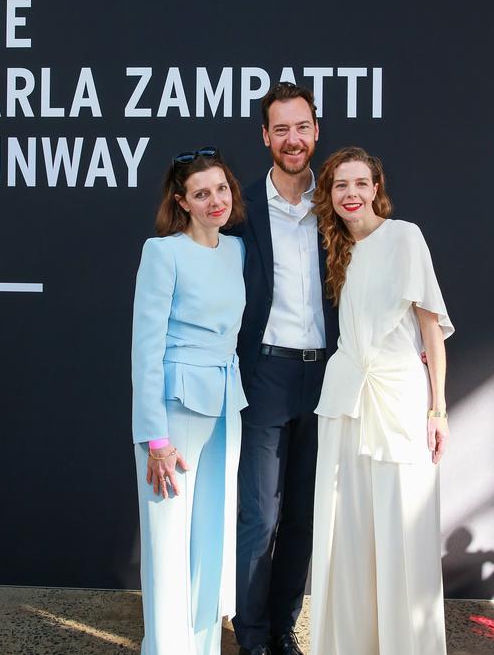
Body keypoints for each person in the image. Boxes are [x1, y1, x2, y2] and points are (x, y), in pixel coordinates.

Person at [309, 146, 453, 655]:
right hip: (345, 402)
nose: (350, 194)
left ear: (376, 189)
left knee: (401, 532)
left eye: (359, 183)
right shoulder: (334, 248)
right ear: (329, 194)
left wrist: (438, 410)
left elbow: (431, 330)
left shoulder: (405, 237)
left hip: (398, 400)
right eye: (339, 185)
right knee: (344, 533)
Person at [232, 83, 339, 655]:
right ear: (266, 137)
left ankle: (281, 632)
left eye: (302, 127)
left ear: (315, 131)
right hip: (266, 376)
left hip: (326, 378)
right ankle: (251, 640)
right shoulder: (241, 208)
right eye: (281, 129)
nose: (292, 139)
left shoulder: (340, 204)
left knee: (302, 520)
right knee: (260, 520)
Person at [131, 147, 249, 655]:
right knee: (167, 546)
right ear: (182, 202)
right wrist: (154, 437)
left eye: (221, 189)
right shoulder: (163, 252)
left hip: (226, 406)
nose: (215, 200)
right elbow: (145, 347)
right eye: (202, 193)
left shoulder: (238, 250)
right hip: (174, 414)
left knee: (211, 542)